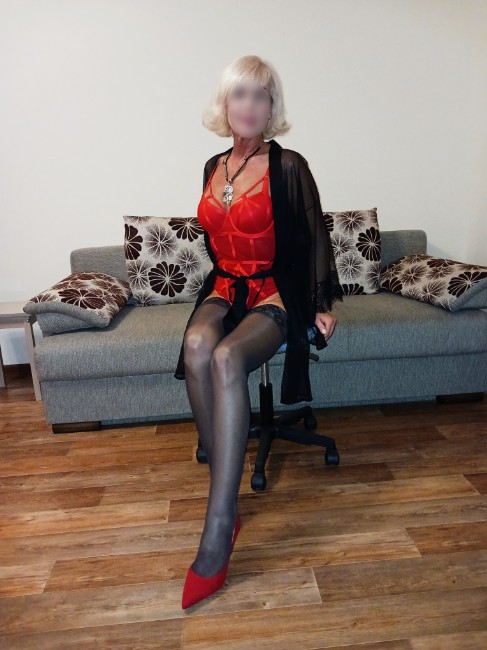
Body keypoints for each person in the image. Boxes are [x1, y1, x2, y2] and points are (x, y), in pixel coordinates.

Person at [174, 55, 343, 609]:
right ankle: (221, 471)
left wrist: (319, 303)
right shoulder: (212, 165)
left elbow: (315, 234)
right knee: (196, 345)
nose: (249, 105)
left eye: (261, 95)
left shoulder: (288, 165)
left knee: (226, 358)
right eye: (240, 94)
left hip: (275, 290)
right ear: (225, 104)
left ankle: (221, 523)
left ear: (272, 107)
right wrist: (222, 289)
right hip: (227, 285)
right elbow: (215, 237)